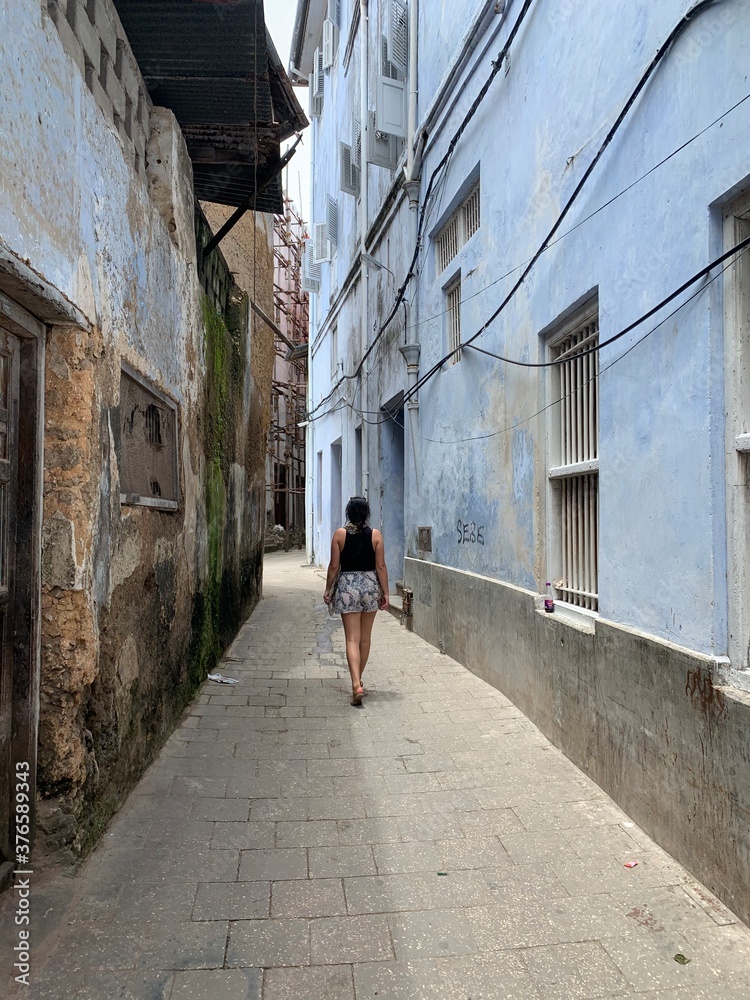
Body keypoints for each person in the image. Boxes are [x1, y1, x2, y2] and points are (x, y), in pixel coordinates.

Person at [323, 496, 389, 705]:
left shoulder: (340, 535)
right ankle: (358, 681)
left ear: (348, 513)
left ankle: (355, 684)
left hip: (348, 588)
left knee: (352, 638)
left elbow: (334, 566)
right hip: (370, 586)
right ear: (367, 514)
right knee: (365, 638)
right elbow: (381, 566)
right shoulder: (376, 535)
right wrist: (385, 592)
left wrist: (327, 589)